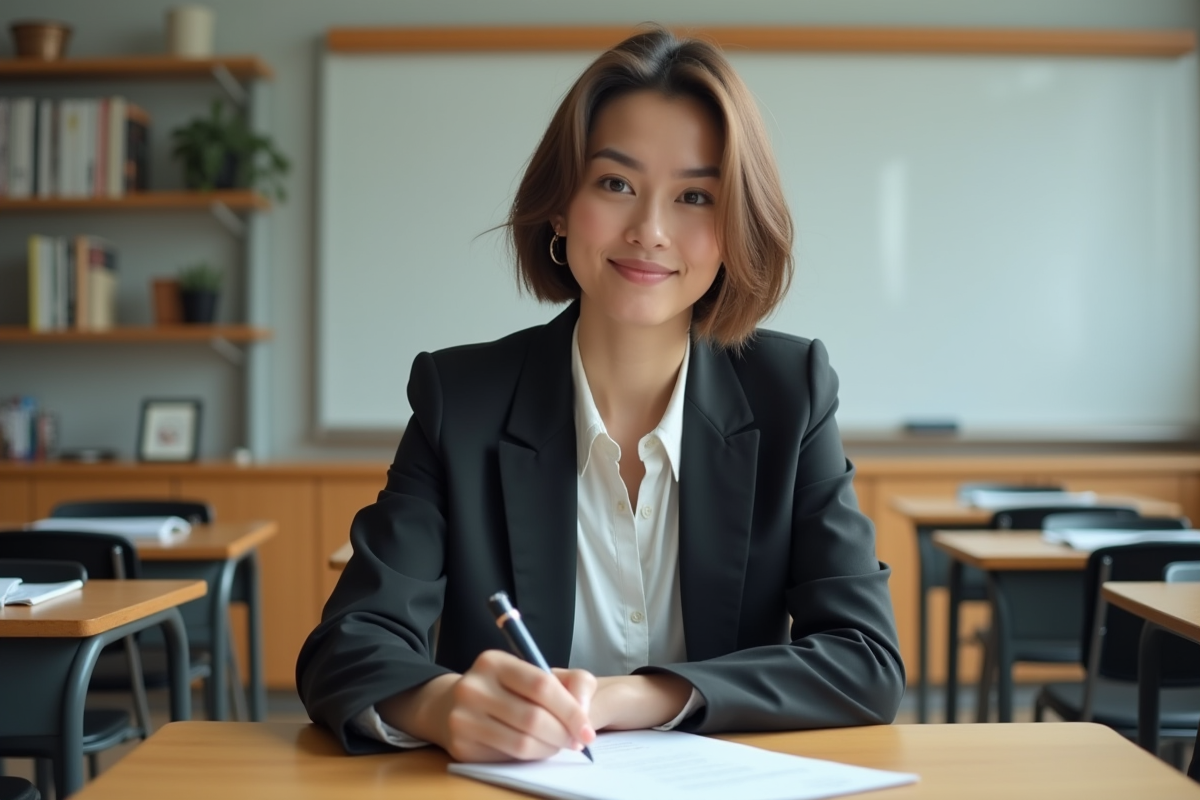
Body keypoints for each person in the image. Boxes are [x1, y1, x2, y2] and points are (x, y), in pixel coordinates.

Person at [297, 27, 904, 762]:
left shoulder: (790, 393)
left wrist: (635, 696)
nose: (649, 231)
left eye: (694, 196)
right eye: (616, 184)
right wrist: (441, 704)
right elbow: (347, 644)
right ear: (560, 206)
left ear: (734, 227)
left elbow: (865, 660)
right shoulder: (461, 399)